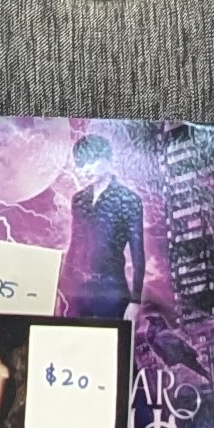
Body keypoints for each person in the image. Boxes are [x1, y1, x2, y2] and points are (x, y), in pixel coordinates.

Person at [61, 129, 148, 318]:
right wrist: (63, 289)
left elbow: (138, 254)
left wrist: (135, 301)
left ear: (107, 160)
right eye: (81, 164)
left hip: (111, 293)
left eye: (91, 162)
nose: (86, 169)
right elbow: (74, 245)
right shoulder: (78, 200)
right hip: (77, 293)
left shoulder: (129, 200)